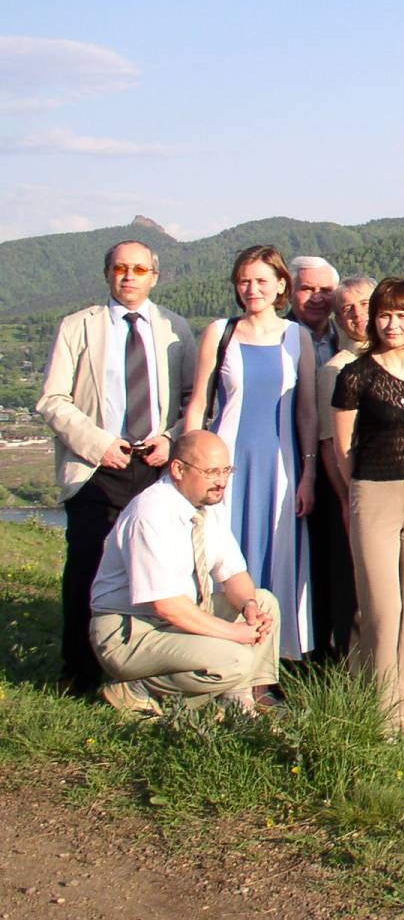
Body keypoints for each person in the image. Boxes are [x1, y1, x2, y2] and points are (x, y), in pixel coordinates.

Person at [36, 240, 197, 695]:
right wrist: (99, 444)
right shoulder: (77, 327)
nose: (129, 276)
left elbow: (193, 398)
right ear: (107, 273)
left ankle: (149, 672)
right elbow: (52, 398)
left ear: (154, 277)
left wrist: (171, 439)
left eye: (139, 269)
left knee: (156, 570)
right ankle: (80, 672)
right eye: (121, 268)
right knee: (87, 567)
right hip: (96, 467)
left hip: (155, 467)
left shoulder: (175, 328)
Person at [184, 245, 316, 660]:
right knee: (222, 557)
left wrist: (309, 474)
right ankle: (217, 656)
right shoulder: (219, 332)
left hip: (280, 467)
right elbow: (198, 403)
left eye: (261, 280)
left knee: (277, 556)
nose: (252, 289)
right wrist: (187, 468)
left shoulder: (297, 337)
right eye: (244, 281)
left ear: (280, 285)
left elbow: (307, 412)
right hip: (225, 466)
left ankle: (268, 664)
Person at [88, 430, 280, 715]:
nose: (221, 481)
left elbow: (233, 574)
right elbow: (166, 605)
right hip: (133, 629)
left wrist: (249, 607)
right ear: (178, 469)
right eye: (211, 472)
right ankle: (137, 690)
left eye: (226, 471)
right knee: (236, 660)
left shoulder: (206, 506)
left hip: (175, 618)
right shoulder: (150, 513)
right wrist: (233, 633)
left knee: (265, 603)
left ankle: (241, 699)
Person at [332, 278, 404, 742]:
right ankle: (380, 716)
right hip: (373, 492)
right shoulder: (354, 375)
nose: (392, 324)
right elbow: (343, 449)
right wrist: (358, 495)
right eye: (384, 315)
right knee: (381, 607)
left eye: (402, 315)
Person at [310, 274, 375, 662]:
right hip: (358, 492)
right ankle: (354, 675)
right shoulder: (334, 371)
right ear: (337, 320)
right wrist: (348, 500)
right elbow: (329, 445)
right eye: (347, 309)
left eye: (365, 304)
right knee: (354, 591)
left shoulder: (403, 361)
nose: (357, 314)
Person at [287, 256, 340, 367]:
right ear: (290, 294)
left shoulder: (345, 337)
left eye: (325, 290)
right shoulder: (276, 337)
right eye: (307, 289)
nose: (316, 298)